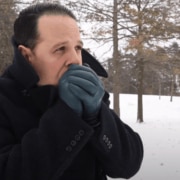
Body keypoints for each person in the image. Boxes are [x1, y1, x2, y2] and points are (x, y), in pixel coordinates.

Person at [0, 3, 143, 180]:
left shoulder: (86, 93)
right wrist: (67, 116)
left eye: (78, 48)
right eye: (60, 49)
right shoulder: (5, 99)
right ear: (27, 56)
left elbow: (128, 166)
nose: (75, 60)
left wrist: (97, 117)